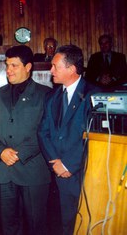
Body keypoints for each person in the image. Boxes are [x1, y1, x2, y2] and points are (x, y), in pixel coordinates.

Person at [0, 45, 51, 235]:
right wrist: (0, 151)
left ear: (28, 67)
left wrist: (18, 154)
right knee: (9, 227)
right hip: (5, 171)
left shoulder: (45, 94)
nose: (8, 70)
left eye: (14, 65)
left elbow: (45, 131)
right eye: (7, 65)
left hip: (33, 171)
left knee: (35, 226)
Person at [38, 45, 99, 235]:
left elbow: (93, 138)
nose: (51, 71)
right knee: (62, 226)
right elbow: (43, 132)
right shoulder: (52, 96)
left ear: (71, 69)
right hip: (56, 173)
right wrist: (55, 163)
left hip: (82, 173)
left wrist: (68, 165)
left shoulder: (93, 94)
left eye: (55, 66)